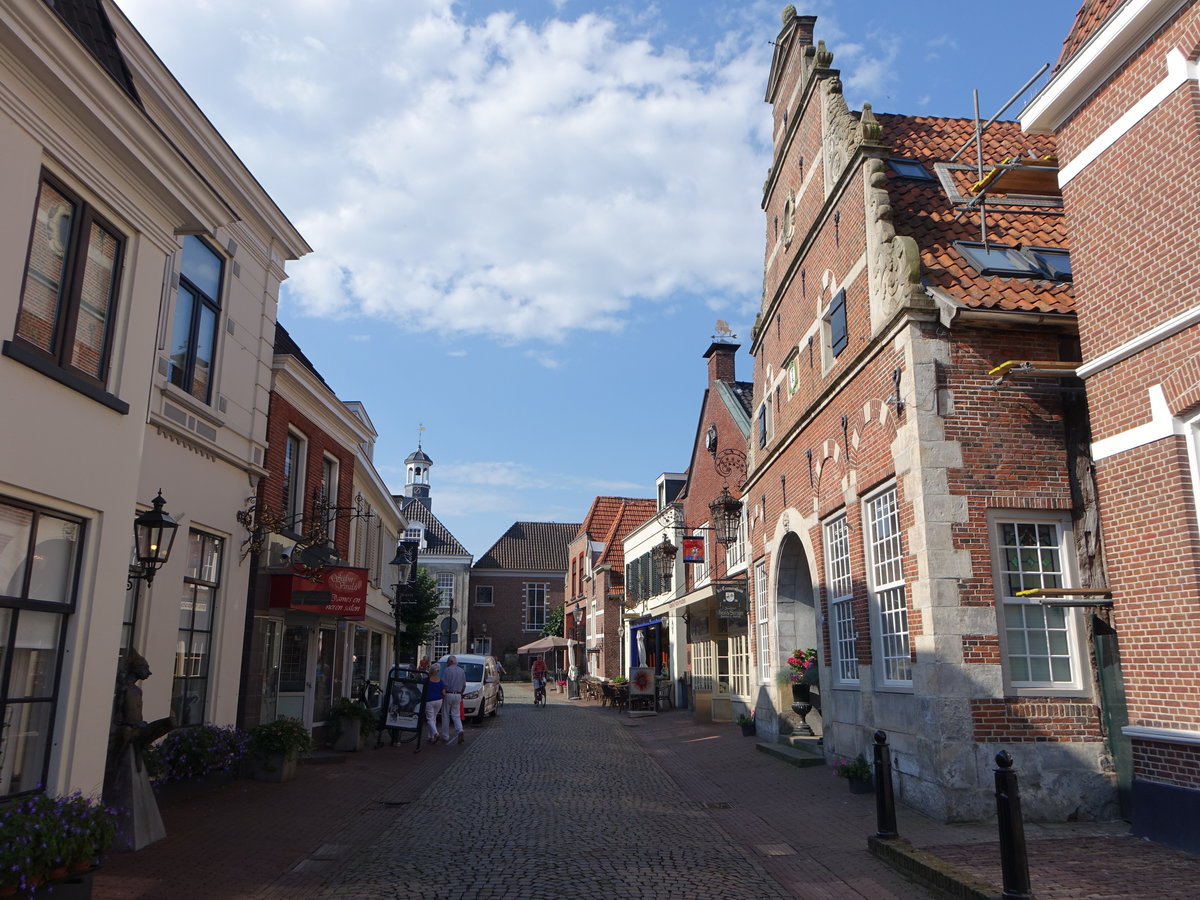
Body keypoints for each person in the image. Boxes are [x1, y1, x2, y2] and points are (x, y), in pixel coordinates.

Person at [439, 656, 466, 744]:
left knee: (445, 714)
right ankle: (460, 730)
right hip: (458, 694)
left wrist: (443, 692)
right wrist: (461, 693)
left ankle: (445, 735)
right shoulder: (461, 671)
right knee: (456, 715)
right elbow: (464, 685)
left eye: (447, 662)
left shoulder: (448, 670)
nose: (447, 663)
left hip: (449, 693)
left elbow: (445, 683)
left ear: (450, 662)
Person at [424, 664, 444, 743]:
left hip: (429, 701)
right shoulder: (440, 680)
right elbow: (443, 692)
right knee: (433, 718)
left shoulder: (426, 680)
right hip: (439, 700)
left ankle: (435, 733)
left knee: (429, 719)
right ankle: (431, 736)